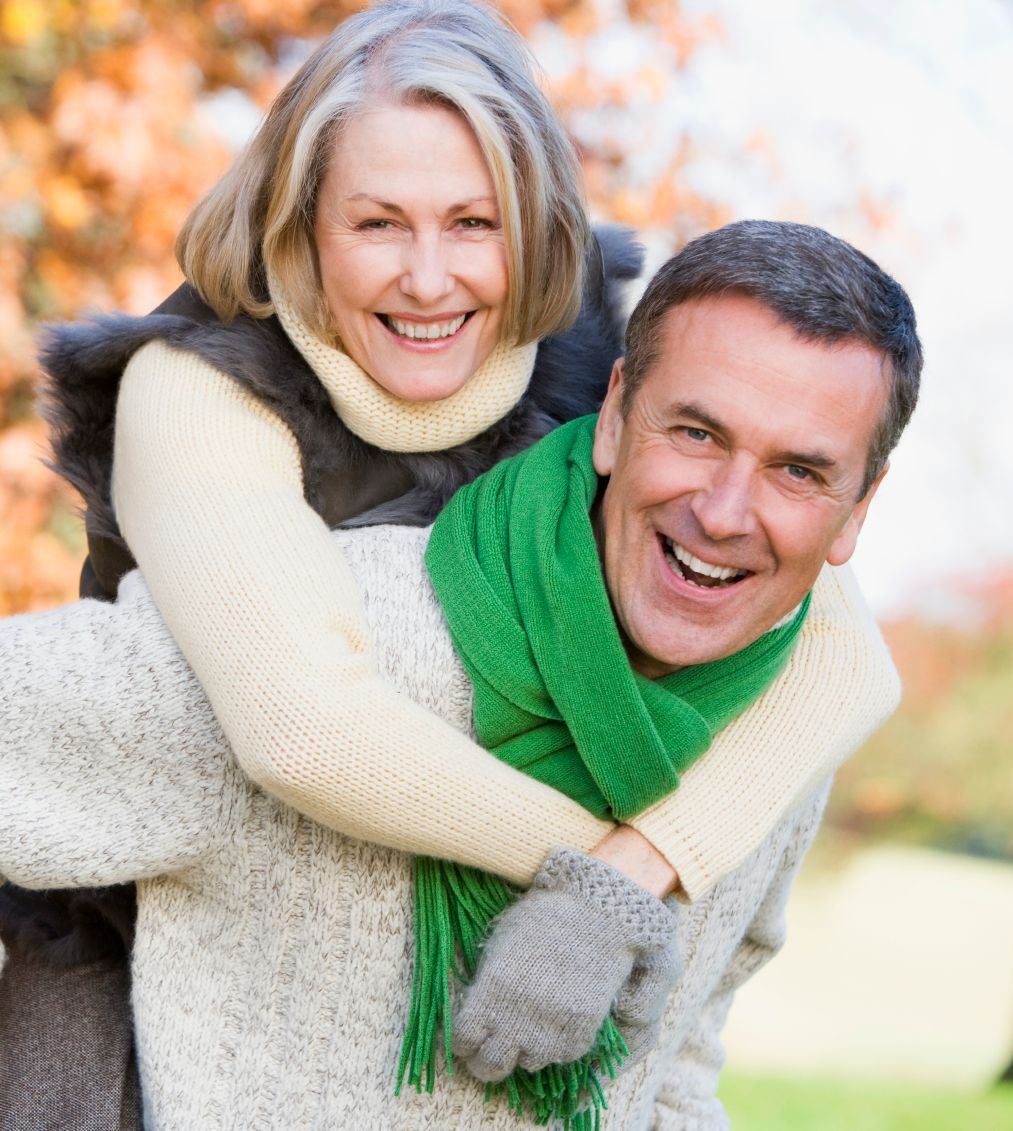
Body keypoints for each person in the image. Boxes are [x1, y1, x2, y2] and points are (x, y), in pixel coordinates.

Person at [2, 2, 894, 1126]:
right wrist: (597, 881)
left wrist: (638, 873)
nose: (429, 281)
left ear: (533, 227)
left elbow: (839, 652)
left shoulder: (600, 371)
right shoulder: (199, 391)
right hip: (136, 914)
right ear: (301, 228)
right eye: (378, 223)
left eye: (474, 223)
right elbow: (305, 728)